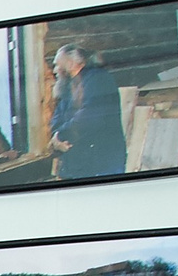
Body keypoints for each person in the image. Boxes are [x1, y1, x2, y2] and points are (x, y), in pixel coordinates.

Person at [50, 45, 127, 179]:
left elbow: (89, 118)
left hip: (102, 164)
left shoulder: (98, 79)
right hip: (77, 165)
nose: (55, 70)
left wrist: (61, 136)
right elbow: (57, 119)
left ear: (71, 63)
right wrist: (57, 136)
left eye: (57, 65)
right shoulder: (67, 87)